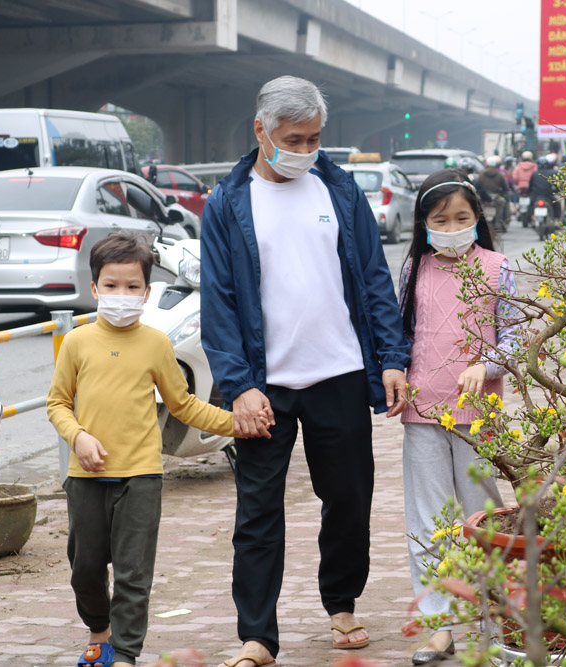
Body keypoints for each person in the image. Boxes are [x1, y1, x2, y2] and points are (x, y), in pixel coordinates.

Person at [199, 75, 411, 667]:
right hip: (264, 385)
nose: (305, 149)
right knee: (258, 511)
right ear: (261, 130)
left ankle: (340, 601)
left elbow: (373, 279)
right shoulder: (226, 204)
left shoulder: (338, 192)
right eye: (294, 138)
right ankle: (257, 637)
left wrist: (390, 357)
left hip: (339, 372)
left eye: (315, 137)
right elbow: (217, 303)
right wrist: (239, 386)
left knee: (348, 498)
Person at [46, 232, 241, 667]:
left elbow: (183, 403)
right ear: (95, 289)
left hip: (141, 478)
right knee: (85, 569)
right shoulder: (77, 342)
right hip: (85, 477)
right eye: (111, 286)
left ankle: (125, 654)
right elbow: (58, 403)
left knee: (134, 574)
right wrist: (78, 436)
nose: (121, 295)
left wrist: (235, 424)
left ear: (147, 292)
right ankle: (100, 629)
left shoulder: (156, 344)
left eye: (132, 287)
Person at [397, 169, 518, 665]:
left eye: (461, 218)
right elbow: (402, 338)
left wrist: (484, 365)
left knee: (486, 521)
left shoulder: (498, 267)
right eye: (439, 219)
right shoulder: (414, 269)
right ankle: (439, 627)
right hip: (422, 412)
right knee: (427, 523)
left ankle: (495, 623)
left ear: (477, 219)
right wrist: (395, 376)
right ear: (424, 223)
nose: (450, 227)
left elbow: (515, 341)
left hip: (477, 417)